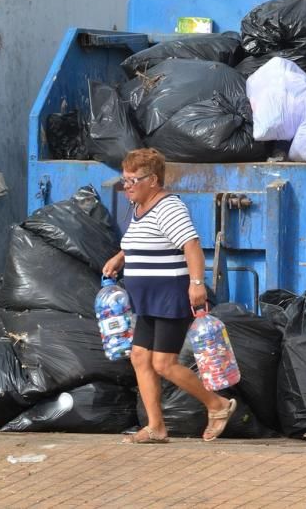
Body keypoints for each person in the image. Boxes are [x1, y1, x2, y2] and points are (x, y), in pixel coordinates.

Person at [103, 148, 236, 443]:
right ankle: (156, 427)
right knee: (140, 357)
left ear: (152, 180)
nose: (126, 187)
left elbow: (191, 245)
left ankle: (218, 405)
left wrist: (197, 283)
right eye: (123, 180)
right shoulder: (139, 209)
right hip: (147, 300)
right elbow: (146, 240)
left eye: (132, 180)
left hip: (170, 296)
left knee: (164, 363)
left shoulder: (168, 207)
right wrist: (120, 257)